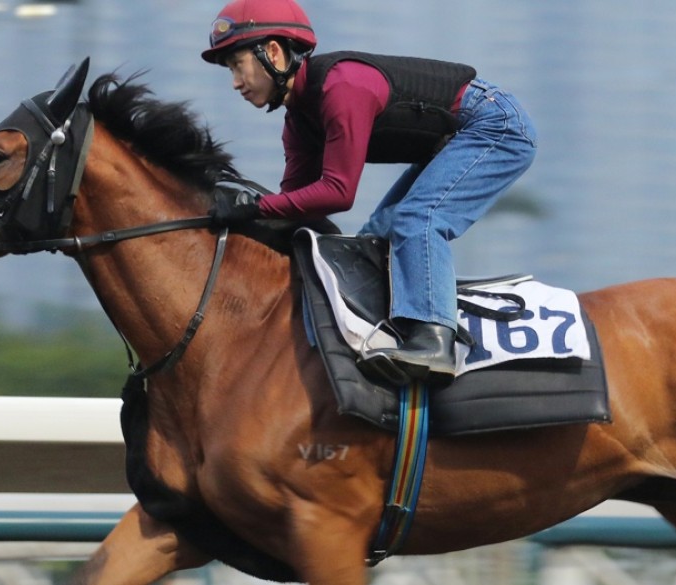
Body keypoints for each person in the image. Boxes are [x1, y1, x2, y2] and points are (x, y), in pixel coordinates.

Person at [202, 0, 538, 386]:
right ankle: (392, 332)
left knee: (418, 218)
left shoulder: (343, 86)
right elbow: (295, 209)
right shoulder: (298, 123)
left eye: (237, 64)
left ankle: (435, 341)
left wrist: (254, 206)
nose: (235, 82)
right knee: (376, 238)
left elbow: (337, 193)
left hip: (494, 124)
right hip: (453, 141)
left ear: (273, 53)